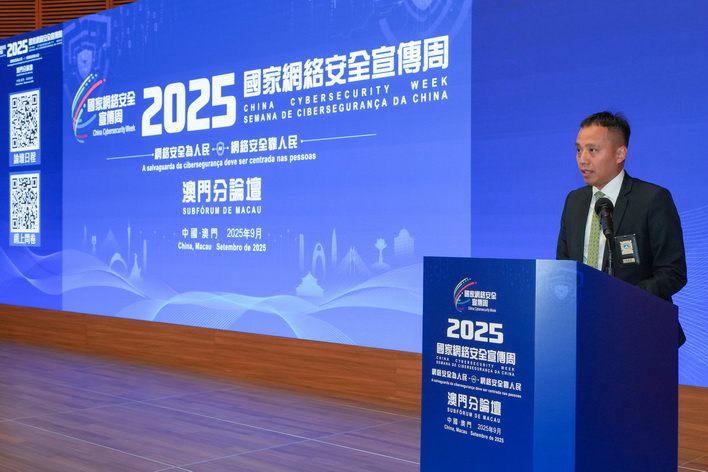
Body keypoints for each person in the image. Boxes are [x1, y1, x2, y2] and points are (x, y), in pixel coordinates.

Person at [556, 111, 687, 346]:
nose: (582, 159)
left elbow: (672, 272)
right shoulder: (574, 200)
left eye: (592, 150)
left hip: (641, 331)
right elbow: (563, 266)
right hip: (584, 329)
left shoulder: (652, 199)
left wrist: (621, 300)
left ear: (620, 153)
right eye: (578, 150)